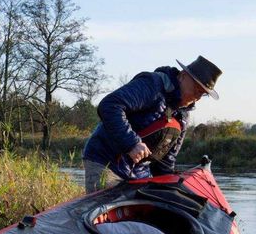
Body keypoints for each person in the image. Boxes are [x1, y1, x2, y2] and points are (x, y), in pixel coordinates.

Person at [82, 56, 222, 192]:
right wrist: (132, 143)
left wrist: (171, 188)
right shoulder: (152, 84)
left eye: (203, 94)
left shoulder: (183, 116)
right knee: (108, 211)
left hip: (139, 174)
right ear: (183, 75)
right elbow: (110, 106)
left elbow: (166, 162)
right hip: (106, 161)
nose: (197, 98)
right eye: (197, 89)